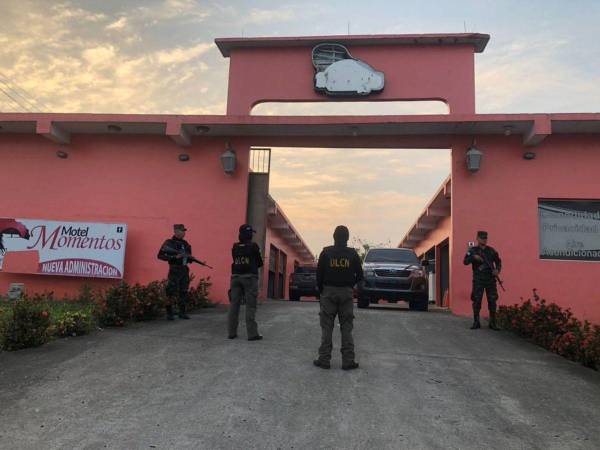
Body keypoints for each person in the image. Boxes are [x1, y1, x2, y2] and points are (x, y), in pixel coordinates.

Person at [314, 225, 363, 370]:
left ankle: (324, 359)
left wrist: (322, 291)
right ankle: (348, 361)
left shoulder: (326, 253)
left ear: (334, 237)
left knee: (327, 327)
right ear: (347, 238)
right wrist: (349, 286)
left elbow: (319, 275)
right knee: (346, 327)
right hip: (346, 293)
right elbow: (360, 276)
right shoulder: (352, 254)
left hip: (328, 292)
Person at [228, 224, 264, 341]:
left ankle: (231, 332)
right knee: (250, 306)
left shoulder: (235, 246)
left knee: (234, 305)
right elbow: (259, 263)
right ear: (249, 235)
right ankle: (252, 334)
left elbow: (234, 259)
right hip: (249, 278)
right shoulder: (253, 246)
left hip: (235, 278)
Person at [463, 230, 502, 330]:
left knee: (492, 301)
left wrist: (497, 270)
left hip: (490, 280)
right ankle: (476, 322)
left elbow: (498, 262)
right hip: (478, 280)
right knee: (477, 301)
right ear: (477, 238)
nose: (484, 240)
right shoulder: (472, 250)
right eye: (482, 238)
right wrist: (473, 257)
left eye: (485, 238)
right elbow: (465, 262)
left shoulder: (492, 251)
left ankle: (492, 323)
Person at [157, 224, 192, 320]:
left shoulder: (186, 244)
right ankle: (169, 313)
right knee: (170, 291)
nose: (184, 233)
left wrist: (189, 258)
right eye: (182, 231)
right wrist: (173, 257)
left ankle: (182, 312)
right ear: (176, 231)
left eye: (184, 231)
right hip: (174, 269)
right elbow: (160, 256)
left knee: (184, 291)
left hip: (184, 269)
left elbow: (189, 257)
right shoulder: (169, 243)